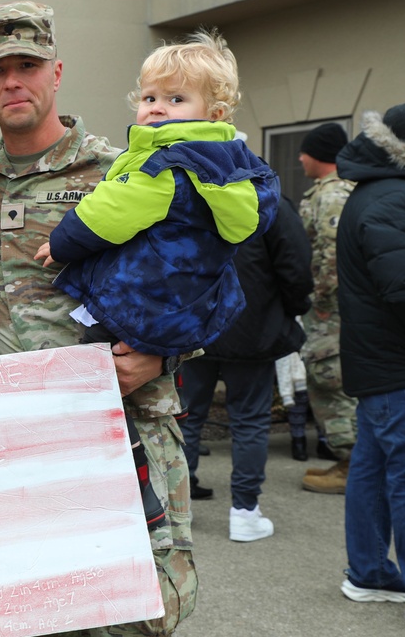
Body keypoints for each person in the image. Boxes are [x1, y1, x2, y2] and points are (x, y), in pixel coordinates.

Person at [0, 1, 195, 637]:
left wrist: (163, 356)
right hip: (17, 446)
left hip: (124, 434)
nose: (14, 81)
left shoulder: (127, 173)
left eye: (28, 66)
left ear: (56, 71)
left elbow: (207, 286)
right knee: (33, 622)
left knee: (133, 623)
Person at [33, 28, 278, 527]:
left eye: (175, 98)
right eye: (149, 97)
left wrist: (59, 245)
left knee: (92, 386)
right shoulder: (238, 166)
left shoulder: (164, 163)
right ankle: (135, 480)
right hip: (186, 305)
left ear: (215, 113)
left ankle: (132, 484)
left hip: (136, 299)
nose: (156, 108)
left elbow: (109, 213)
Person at [335, 102, 405, 632]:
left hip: (383, 367)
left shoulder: (384, 192)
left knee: (374, 470)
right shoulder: (394, 197)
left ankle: (368, 572)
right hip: (404, 367)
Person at [180, 196, 313, 541]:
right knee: (250, 420)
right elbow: (295, 265)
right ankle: (244, 511)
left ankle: (179, 506)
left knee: (186, 416)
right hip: (254, 324)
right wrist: (291, 309)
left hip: (194, 323)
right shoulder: (267, 199)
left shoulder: (184, 193)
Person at [294, 122, 359, 493]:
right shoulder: (330, 191)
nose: (300, 157)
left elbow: (332, 255)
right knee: (329, 378)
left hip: (330, 310)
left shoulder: (333, 195)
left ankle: (353, 465)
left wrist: (318, 300)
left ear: (319, 155)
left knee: (329, 378)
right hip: (332, 308)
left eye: (305, 151)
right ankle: (350, 460)